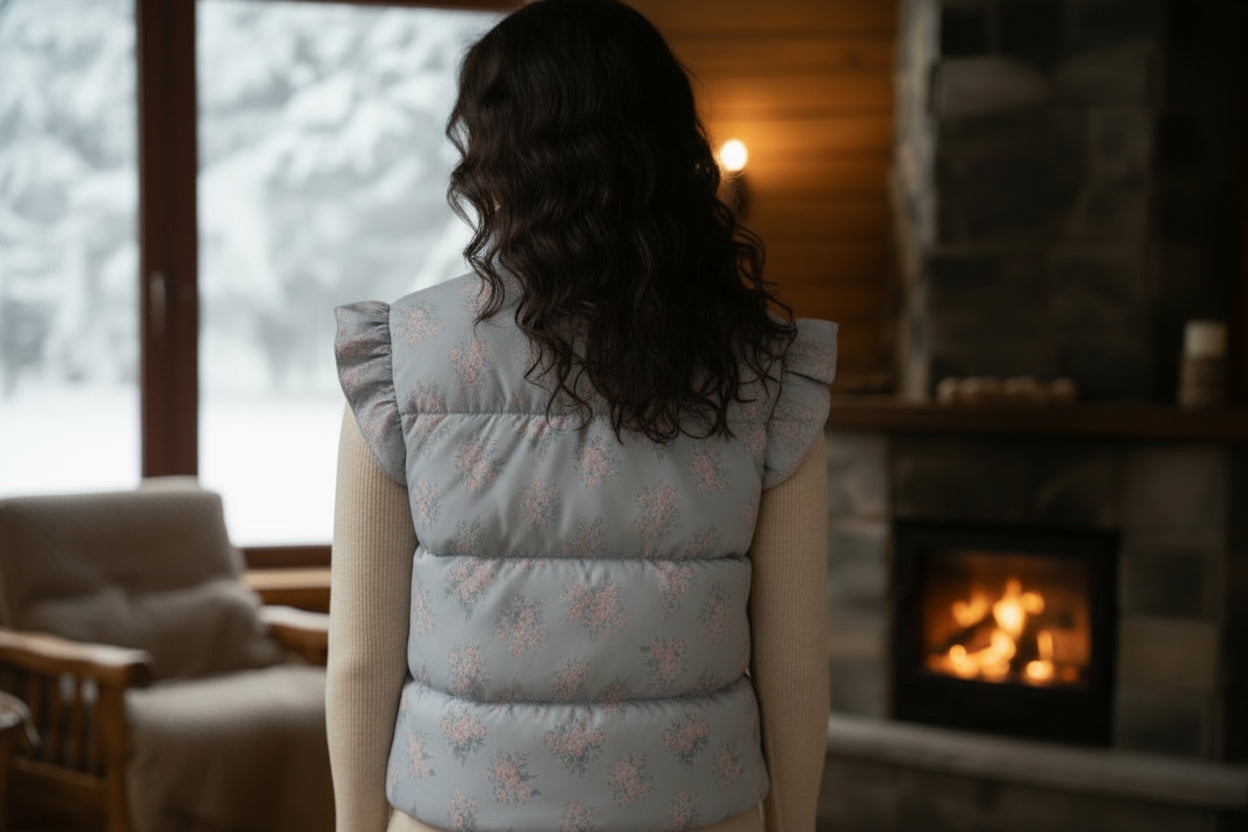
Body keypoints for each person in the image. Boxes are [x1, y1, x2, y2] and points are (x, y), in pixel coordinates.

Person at [326, 1, 835, 830]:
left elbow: (359, 660)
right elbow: (796, 664)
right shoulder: (767, 373)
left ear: (495, 154)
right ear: (668, 147)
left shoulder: (401, 359)